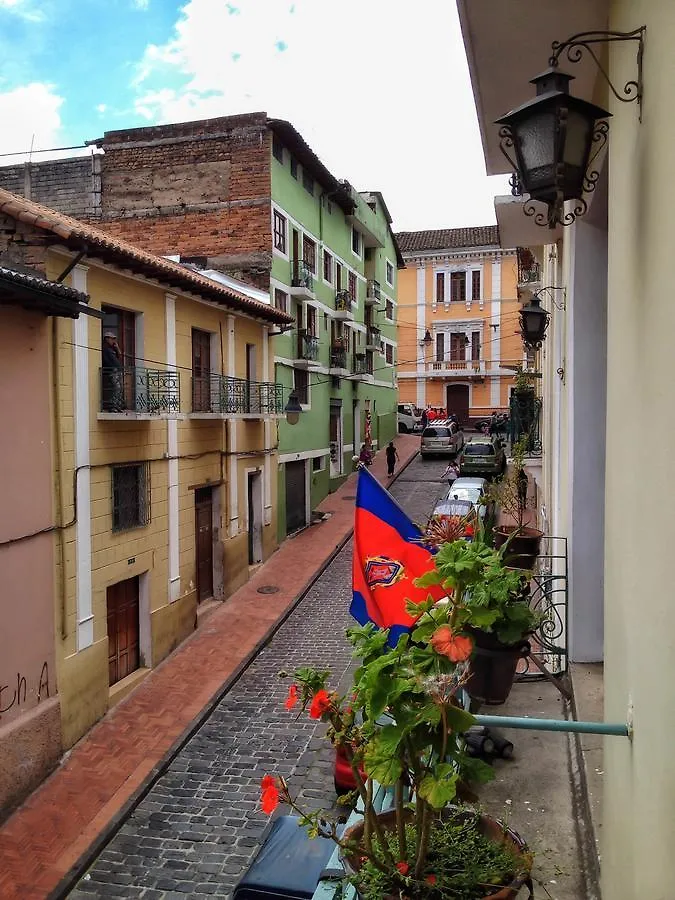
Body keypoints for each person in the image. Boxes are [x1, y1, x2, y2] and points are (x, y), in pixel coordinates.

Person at [102, 332, 124, 411]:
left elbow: (119, 356)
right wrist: (112, 368)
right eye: (112, 339)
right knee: (116, 388)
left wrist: (117, 347)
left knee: (120, 388)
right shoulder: (105, 348)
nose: (114, 341)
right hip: (112, 371)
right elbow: (105, 361)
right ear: (107, 339)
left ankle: (118, 405)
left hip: (117, 371)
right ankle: (112, 406)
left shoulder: (112, 349)